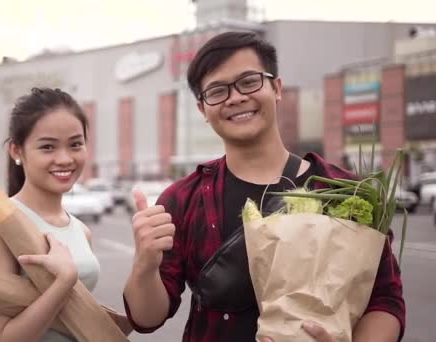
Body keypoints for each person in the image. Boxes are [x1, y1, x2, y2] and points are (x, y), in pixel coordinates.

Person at [123, 31, 405, 342]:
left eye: (248, 82)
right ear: (202, 109)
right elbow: (147, 318)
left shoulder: (345, 190)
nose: (235, 97)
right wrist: (145, 265)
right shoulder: (183, 199)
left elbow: (384, 301)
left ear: (277, 88)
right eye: (217, 91)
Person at [0, 87, 100, 341]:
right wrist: (63, 282)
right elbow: (1, 338)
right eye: (48, 147)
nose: (65, 158)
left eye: (75, 144)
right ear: (16, 151)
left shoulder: (81, 231)